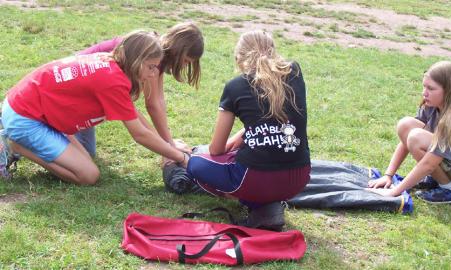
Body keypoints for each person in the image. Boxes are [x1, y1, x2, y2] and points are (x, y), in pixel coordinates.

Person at [1, 30, 190, 185]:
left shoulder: (113, 65)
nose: (153, 74)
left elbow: (134, 116)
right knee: (88, 175)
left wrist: (169, 148)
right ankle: (16, 145)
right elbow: (139, 133)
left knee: (87, 155)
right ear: (136, 61)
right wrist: (179, 157)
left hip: (37, 113)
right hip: (25, 117)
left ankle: (19, 141)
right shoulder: (113, 81)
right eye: (151, 67)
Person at [186, 31, 310, 231]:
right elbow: (277, 117)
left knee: (195, 162)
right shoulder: (294, 71)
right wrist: (242, 135)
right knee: (245, 158)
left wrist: (215, 151)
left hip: (254, 178)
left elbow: (216, 149)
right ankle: (268, 209)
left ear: (238, 58)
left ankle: (260, 204)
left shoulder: (235, 87)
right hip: (299, 177)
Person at [74, 22, 204, 157]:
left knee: (85, 153)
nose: (185, 66)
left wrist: (168, 142)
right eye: (187, 61)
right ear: (179, 50)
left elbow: (158, 100)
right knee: (83, 154)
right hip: (75, 91)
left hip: (87, 92)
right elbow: (152, 105)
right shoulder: (150, 55)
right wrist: (169, 145)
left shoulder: (156, 51)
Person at [368, 61, 451, 205]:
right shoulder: (431, 105)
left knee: (416, 137)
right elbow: (405, 142)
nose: (424, 92)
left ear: (449, 90)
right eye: (424, 86)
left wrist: (394, 192)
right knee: (406, 125)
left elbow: (428, 163)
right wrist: (388, 176)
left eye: (431, 88)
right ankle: (438, 180)